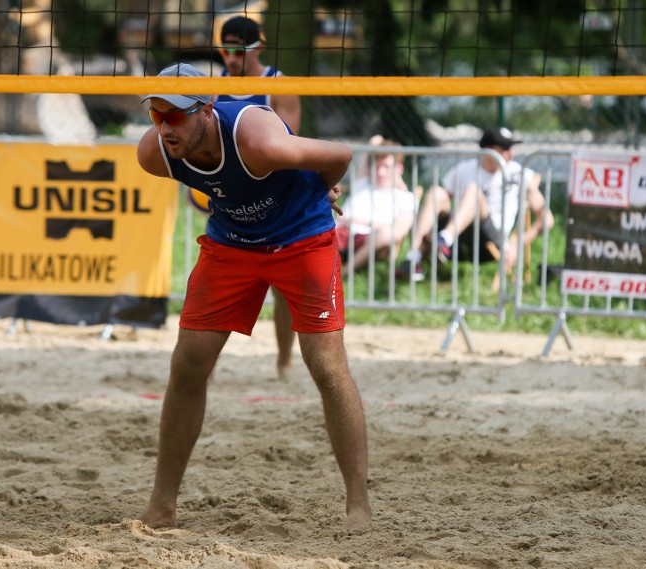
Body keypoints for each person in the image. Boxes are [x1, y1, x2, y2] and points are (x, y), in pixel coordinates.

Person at [136, 63, 372, 529]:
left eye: (176, 115)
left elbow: (341, 152)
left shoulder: (257, 138)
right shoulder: (154, 155)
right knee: (188, 362)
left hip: (303, 237)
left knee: (326, 365)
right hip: (232, 244)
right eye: (157, 114)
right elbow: (214, 185)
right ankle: (162, 505)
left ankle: (358, 505)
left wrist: (325, 189)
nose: (165, 126)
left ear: (207, 110)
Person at [213, 15, 303, 379]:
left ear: (257, 47)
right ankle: (208, 365)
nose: (230, 58)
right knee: (220, 286)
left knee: (283, 290)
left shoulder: (279, 85)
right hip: (231, 202)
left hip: (276, 201)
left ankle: (283, 361)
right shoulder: (214, 89)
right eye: (225, 50)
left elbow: (289, 147)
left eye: (237, 50)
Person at [397, 127, 554, 282]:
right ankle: (413, 257)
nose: (510, 154)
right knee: (436, 192)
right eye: (504, 149)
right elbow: (441, 201)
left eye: (511, 148)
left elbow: (547, 219)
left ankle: (443, 241)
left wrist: (516, 243)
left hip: (494, 236)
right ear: (487, 150)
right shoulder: (465, 169)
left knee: (473, 191)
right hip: (461, 231)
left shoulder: (519, 175)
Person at [336, 137, 416, 271]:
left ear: (399, 169)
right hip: (338, 233)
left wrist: (353, 220)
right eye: (377, 166)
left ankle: (345, 272)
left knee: (385, 234)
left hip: (368, 239)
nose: (380, 172)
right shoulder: (363, 182)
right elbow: (375, 140)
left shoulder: (405, 197)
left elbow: (398, 231)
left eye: (386, 167)